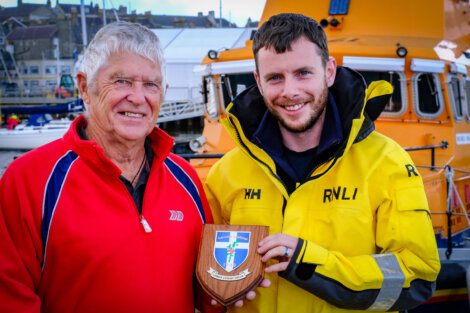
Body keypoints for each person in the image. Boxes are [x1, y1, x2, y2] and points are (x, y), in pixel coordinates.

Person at [204, 13, 440, 313]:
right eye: (275, 77)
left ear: (329, 71)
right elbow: (207, 271)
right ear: (258, 82)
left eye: (303, 73)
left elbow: (418, 275)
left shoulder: (387, 163)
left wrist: (312, 263)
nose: (290, 91)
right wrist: (220, 292)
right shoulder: (226, 173)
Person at [0, 21, 220, 313]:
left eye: (151, 85)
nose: (138, 98)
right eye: (121, 81)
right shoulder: (30, 181)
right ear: (84, 87)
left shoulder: (186, 178)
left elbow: (208, 292)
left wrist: (231, 290)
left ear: (163, 92)